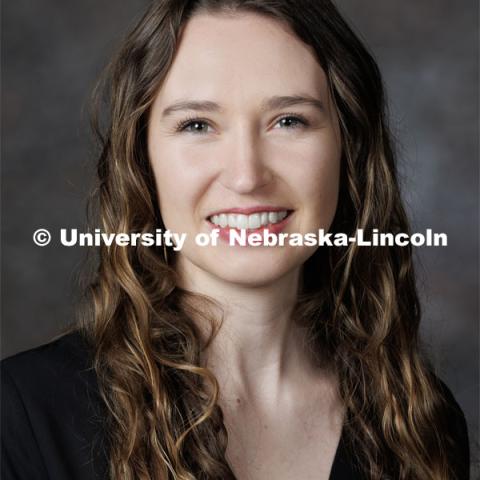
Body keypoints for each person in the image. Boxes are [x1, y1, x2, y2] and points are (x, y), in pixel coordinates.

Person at [1, 1, 470, 479]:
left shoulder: (422, 423)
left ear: (348, 149)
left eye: (289, 120)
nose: (247, 176)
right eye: (197, 125)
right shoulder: (22, 415)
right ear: (142, 162)